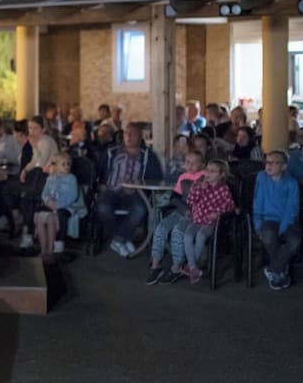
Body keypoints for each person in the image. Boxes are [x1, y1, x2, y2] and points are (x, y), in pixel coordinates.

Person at [96, 122, 164, 257]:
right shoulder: (111, 152)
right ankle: (123, 237)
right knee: (102, 207)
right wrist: (100, 183)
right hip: (111, 190)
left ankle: (118, 239)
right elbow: (98, 171)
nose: (128, 136)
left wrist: (138, 185)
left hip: (135, 192)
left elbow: (156, 177)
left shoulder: (148, 155)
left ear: (140, 137)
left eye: (132, 134)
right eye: (126, 133)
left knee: (140, 209)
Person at [146, 150, 205, 285]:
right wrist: (184, 209)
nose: (190, 166)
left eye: (194, 163)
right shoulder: (183, 177)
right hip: (180, 211)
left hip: (195, 215)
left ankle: (176, 267)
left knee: (178, 231)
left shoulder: (204, 177)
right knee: (160, 228)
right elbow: (174, 197)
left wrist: (190, 211)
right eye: (188, 162)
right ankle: (155, 264)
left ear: (202, 165)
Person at [252, 150, 301, 290]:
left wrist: (283, 227)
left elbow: (292, 208)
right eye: (268, 162)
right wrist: (257, 223)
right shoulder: (262, 178)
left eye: (275, 163)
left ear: (284, 166)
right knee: (268, 237)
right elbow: (257, 201)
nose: (269, 165)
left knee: (294, 242)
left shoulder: (291, 183)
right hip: (268, 219)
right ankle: (280, 270)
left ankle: (274, 268)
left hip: (288, 220)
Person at [182, 159, 235, 285]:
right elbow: (190, 201)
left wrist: (218, 213)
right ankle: (193, 268)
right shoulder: (199, 184)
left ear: (221, 175)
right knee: (187, 236)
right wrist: (200, 189)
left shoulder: (223, 189)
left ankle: (191, 267)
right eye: (207, 170)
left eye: (213, 171)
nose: (208, 173)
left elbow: (229, 206)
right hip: (197, 220)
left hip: (211, 222)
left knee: (201, 236)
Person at [18, 115, 60, 249]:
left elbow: (40, 163)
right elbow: (34, 161)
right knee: (26, 197)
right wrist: (24, 170)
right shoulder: (40, 141)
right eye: (30, 128)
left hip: (50, 177)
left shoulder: (46, 141)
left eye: (35, 128)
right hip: (40, 177)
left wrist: (33, 146)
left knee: (28, 198)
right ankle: (28, 232)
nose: (32, 131)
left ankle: (28, 233)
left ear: (43, 129)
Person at [36, 152, 86, 256]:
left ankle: (55, 246)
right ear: (56, 166)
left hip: (68, 206)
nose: (67, 166)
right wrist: (48, 201)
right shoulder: (50, 179)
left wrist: (58, 204)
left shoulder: (71, 178)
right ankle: (43, 249)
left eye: (68, 164)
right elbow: (44, 193)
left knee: (59, 215)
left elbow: (73, 196)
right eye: (63, 164)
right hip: (52, 205)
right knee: (40, 217)